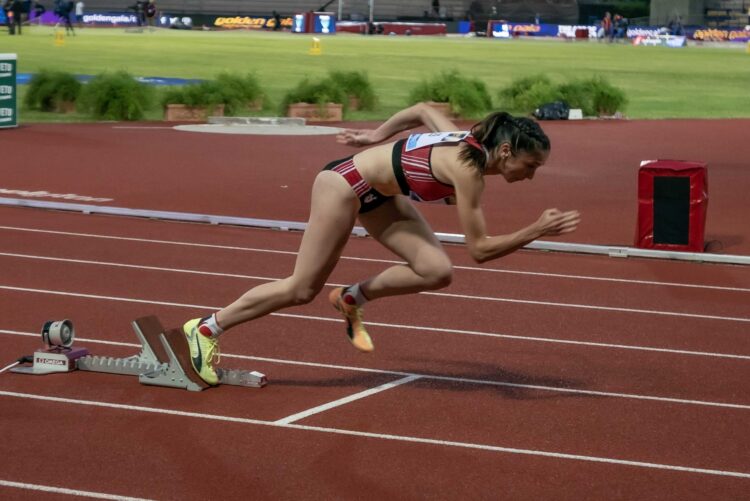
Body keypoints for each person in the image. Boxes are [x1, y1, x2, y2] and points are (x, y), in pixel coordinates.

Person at [180, 103, 581, 385]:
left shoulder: (472, 143)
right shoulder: (468, 170)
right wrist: (535, 230)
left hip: (381, 196)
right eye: (530, 166)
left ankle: (351, 298)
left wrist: (376, 136)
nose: (531, 175)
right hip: (344, 186)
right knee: (301, 289)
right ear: (506, 151)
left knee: (436, 270)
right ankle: (205, 328)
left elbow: (423, 110)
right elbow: (479, 250)